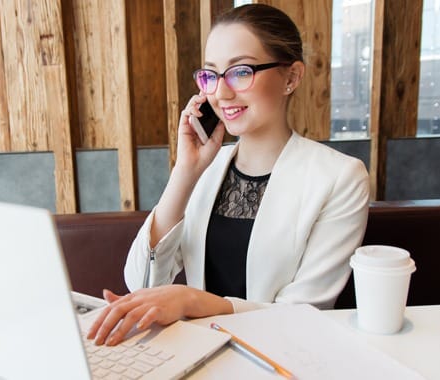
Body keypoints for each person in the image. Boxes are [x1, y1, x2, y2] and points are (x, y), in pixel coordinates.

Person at [88, 3, 369, 346]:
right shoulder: (206, 169)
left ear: (291, 77)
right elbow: (140, 281)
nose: (220, 93)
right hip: (194, 352)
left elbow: (305, 312)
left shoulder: (340, 178)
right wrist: (185, 172)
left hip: (277, 358)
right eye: (210, 75)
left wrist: (193, 301)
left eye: (240, 72)